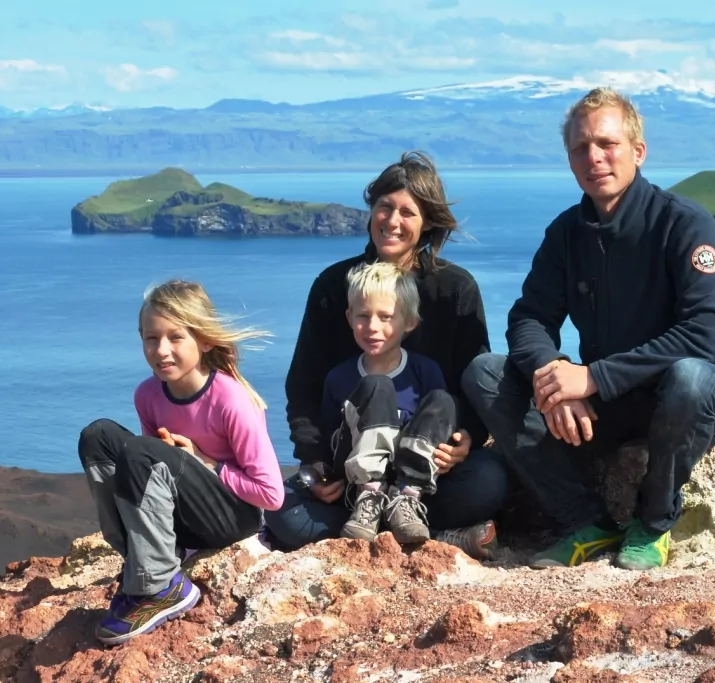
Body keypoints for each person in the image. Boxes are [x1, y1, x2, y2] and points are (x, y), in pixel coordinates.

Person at [462, 87, 715, 571]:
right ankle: (588, 523)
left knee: (691, 377)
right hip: (611, 403)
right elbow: (529, 318)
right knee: (484, 372)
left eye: (606, 144)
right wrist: (552, 375)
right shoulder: (567, 233)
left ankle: (654, 521)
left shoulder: (683, 224)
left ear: (638, 151)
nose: (593, 157)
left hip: (690, 399)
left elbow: (704, 336)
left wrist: (594, 378)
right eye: (580, 147)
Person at [266, 151, 507, 560]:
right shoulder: (333, 286)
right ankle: (440, 537)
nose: (392, 221)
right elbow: (304, 383)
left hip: (428, 468)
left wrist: (465, 436)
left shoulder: (454, 290)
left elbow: (471, 380)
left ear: (427, 221)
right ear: (371, 210)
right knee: (280, 510)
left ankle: (389, 523)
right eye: (384, 207)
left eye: (408, 213)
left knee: (488, 480)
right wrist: (314, 460)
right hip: (352, 472)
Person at [77, 280, 285, 646]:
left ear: (204, 340)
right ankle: (143, 562)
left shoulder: (230, 400)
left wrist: (207, 465)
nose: (162, 351)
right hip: (181, 520)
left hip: (234, 520)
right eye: (151, 339)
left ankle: (161, 588)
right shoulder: (148, 394)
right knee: (98, 437)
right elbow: (142, 473)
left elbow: (270, 494)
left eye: (176, 337)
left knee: (141, 451)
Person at [325, 261, 459, 544]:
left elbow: (439, 421)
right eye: (363, 315)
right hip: (354, 482)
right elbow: (329, 437)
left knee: (444, 402)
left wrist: (451, 449)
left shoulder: (425, 372)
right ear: (349, 317)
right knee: (377, 385)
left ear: (409, 321)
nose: (372, 327)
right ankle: (369, 497)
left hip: (410, 480)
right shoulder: (339, 377)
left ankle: (405, 499)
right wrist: (315, 470)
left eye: (386, 317)